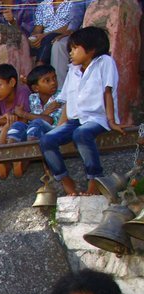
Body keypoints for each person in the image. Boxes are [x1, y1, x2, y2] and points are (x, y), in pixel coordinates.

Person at [38, 27, 124, 196]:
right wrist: (59, 128)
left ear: (91, 49)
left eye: (75, 48)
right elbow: (68, 102)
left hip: (97, 118)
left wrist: (112, 121)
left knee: (81, 134)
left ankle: (95, 180)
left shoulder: (105, 62)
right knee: (47, 140)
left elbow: (108, 92)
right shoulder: (73, 70)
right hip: (75, 120)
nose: (71, 53)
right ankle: (65, 180)